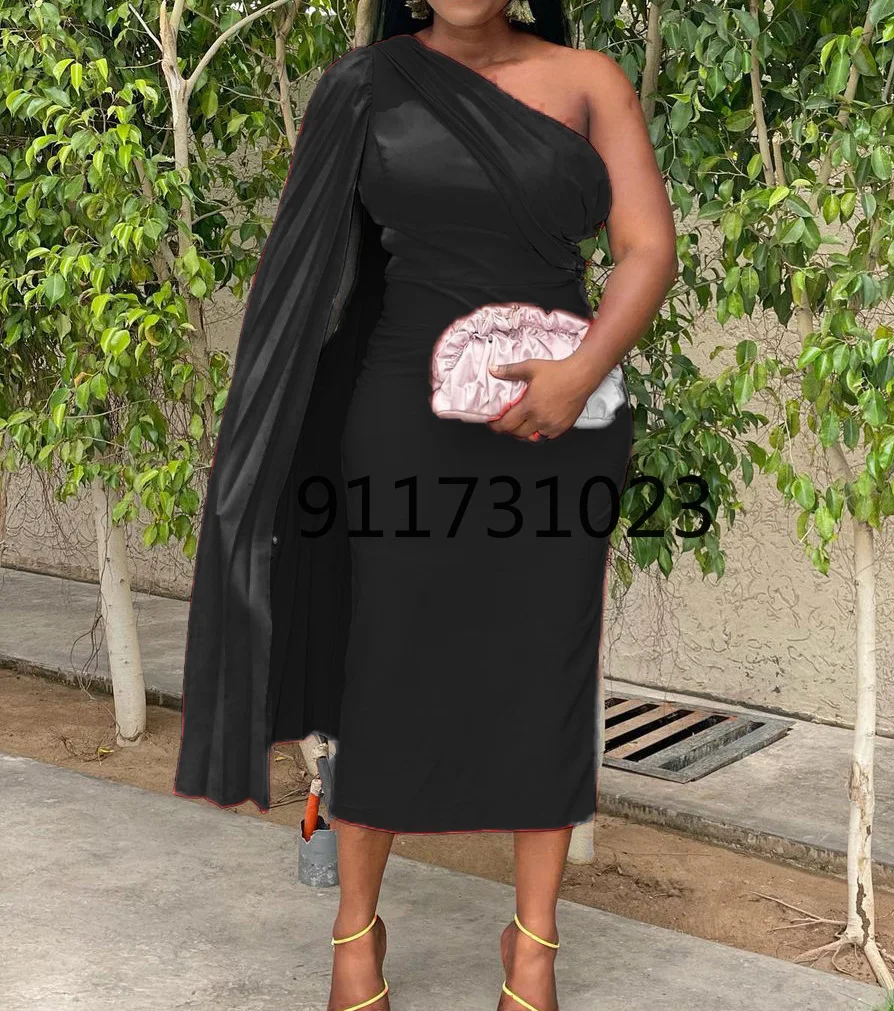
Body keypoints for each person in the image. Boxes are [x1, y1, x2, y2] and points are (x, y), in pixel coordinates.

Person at [173, 1, 677, 1009]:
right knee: (386, 667)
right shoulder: (364, 85)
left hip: (560, 425)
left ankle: (532, 948)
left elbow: (647, 249)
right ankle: (355, 932)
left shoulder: (591, 81)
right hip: (403, 420)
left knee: (544, 668)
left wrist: (581, 373)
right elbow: (304, 266)